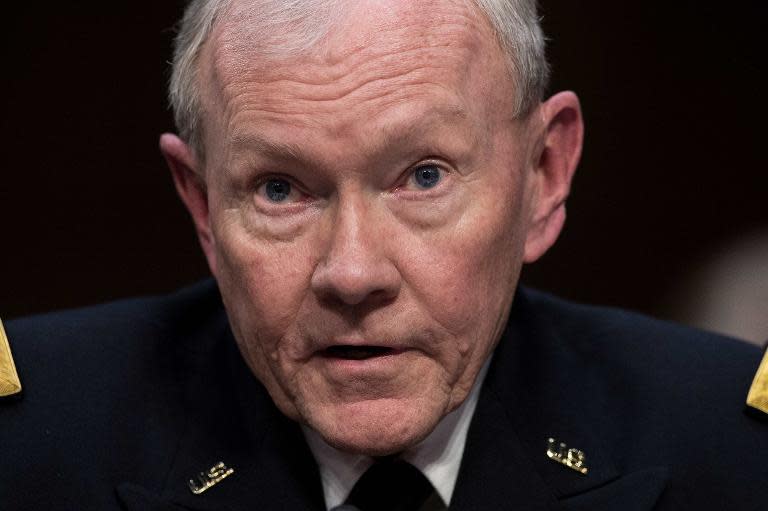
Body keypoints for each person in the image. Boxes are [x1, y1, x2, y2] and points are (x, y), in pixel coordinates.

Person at [1, 1, 766, 510]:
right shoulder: (27, 447)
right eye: (278, 188)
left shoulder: (733, 453)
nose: (354, 272)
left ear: (543, 176)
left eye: (423, 177)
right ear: (201, 202)